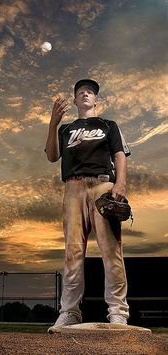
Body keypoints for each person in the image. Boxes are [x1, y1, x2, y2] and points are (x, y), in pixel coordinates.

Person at [45, 79, 131, 333]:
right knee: (72, 251)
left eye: (90, 92)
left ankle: (117, 312)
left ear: (96, 100)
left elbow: (119, 154)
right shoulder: (66, 129)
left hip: (104, 186)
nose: (85, 93)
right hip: (73, 187)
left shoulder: (108, 125)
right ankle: (69, 312)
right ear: (74, 101)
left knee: (111, 250)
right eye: (80, 91)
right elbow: (52, 156)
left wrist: (121, 184)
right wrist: (53, 123)